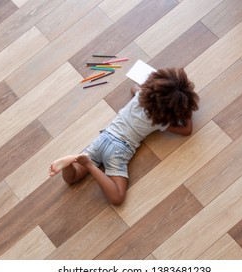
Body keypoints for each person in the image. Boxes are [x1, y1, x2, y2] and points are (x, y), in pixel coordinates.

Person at [49, 68, 199, 205]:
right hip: (119, 151)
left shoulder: (139, 96)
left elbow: (133, 88)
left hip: (103, 138)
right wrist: (185, 110)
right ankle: (89, 165)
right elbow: (187, 130)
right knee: (117, 198)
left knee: (72, 178)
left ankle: (70, 164)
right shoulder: (159, 122)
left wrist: (150, 88)